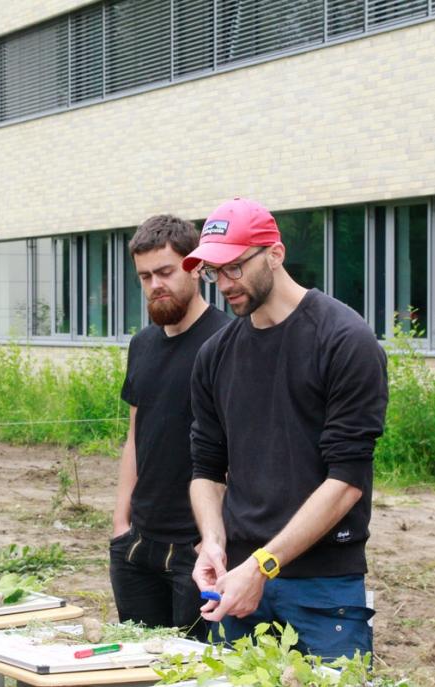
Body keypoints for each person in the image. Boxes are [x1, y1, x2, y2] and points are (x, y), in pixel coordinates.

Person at [182, 197, 388, 660]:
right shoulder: (215, 355)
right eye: (215, 272)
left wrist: (264, 565)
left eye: (235, 267)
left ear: (275, 253)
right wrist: (213, 543)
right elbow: (206, 469)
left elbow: (347, 481)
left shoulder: (343, 340)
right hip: (237, 582)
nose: (224, 284)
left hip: (322, 589)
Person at [110, 214, 230, 641]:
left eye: (165, 271)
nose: (155, 284)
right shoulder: (142, 344)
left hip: (195, 552)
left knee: (195, 672)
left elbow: (242, 449)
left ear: (195, 267)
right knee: (139, 668)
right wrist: (120, 523)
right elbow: (135, 436)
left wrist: (213, 538)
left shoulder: (228, 342)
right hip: (137, 545)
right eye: (145, 276)